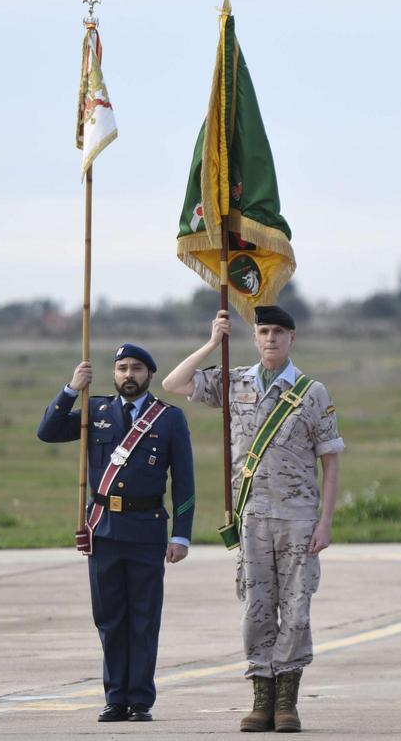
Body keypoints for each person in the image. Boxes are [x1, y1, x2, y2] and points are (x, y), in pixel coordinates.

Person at [161, 306, 343, 733]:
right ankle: (261, 698)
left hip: (298, 517)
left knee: (296, 610)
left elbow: (330, 462)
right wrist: (212, 342)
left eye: (279, 331)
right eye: (263, 331)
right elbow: (174, 383)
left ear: (292, 338)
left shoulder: (311, 391)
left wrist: (325, 521)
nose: (271, 338)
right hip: (253, 516)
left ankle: (287, 702)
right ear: (255, 338)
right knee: (257, 610)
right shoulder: (235, 380)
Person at [36, 343, 194, 723]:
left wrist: (181, 534)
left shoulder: (169, 418)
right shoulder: (97, 410)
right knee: (109, 617)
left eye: (136, 368)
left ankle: (140, 700)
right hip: (103, 528)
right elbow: (48, 431)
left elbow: (184, 481)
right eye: (121, 368)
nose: (128, 374)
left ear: (149, 374)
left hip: (146, 528)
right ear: (113, 373)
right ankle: (115, 698)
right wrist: (71, 390)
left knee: (143, 617)